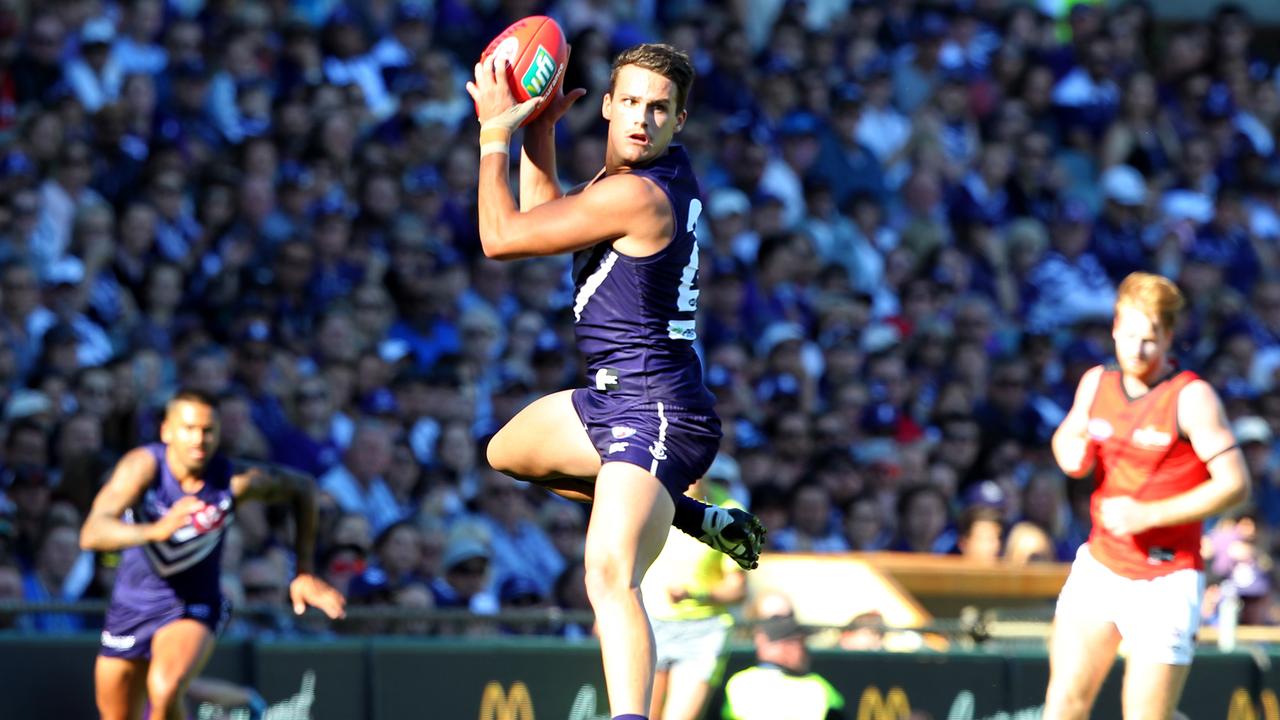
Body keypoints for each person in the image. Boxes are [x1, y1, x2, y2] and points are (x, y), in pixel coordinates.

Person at [467, 43, 765, 719]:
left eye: (659, 108)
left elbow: (500, 238)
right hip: (614, 399)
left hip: (658, 409)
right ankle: (693, 516)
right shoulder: (617, 188)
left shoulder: (636, 194)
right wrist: (540, 132)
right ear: (604, 106)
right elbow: (547, 223)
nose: (641, 117)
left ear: (680, 120)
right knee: (505, 452)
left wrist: (494, 134)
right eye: (629, 101)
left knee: (608, 574)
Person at [1044, 272, 1250, 720]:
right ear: (1115, 328)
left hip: (1166, 577)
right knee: (1063, 706)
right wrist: (1070, 453)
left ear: (1169, 337)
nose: (1138, 349)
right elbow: (1069, 436)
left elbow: (1235, 483)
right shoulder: (1097, 383)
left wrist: (1148, 514)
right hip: (1101, 564)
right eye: (1130, 335)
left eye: (1150, 339)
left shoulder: (1191, 397)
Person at [79, 389, 346, 720]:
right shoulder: (144, 467)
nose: (199, 439)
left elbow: (303, 487)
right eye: (189, 429)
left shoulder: (233, 482)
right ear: (167, 431)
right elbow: (93, 533)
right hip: (131, 605)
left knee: (165, 688)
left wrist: (304, 571)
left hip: (193, 603)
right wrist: (156, 531)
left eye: (208, 430)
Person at [641, 470, 746, 720]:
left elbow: (737, 588)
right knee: (641, 714)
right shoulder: (649, 497)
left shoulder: (731, 512)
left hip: (704, 631)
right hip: (650, 622)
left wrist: (696, 595)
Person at [721, 592, 846, 720]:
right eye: (775, 620)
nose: (795, 646)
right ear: (759, 636)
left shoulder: (820, 687)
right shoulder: (741, 684)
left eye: (796, 640)